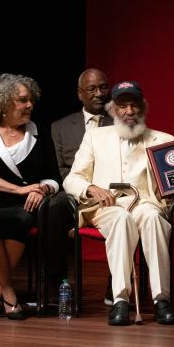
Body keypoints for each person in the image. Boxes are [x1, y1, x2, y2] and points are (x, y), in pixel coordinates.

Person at [64, 80, 174, 326]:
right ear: (113, 109)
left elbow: (170, 186)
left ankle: (161, 300)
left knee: (154, 217)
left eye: (134, 105)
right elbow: (73, 178)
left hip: (145, 203)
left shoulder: (163, 139)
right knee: (121, 219)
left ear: (143, 107)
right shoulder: (95, 137)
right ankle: (120, 299)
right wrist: (91, 188)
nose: (129, 111)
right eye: (123, 106)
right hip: (106, 207)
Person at [0, 73, 64, 320]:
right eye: (22, 100)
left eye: (31, 100)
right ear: (4, 103)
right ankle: (8, 292)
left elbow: (53, 177)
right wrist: (20, 189)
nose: (30, 105)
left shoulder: (38, 132)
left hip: (22, 205)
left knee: (22, 220)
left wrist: (42, 189)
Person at [51, 68, 114, 304]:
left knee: (129, 210)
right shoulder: (60, 127)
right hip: (74, 195)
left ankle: (117, 284)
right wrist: (86, 187)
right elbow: (58, 170)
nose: (99, 93)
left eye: (103, 87)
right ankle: (58, 284)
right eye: (92, 89)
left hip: (110, 195)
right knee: (53, 207)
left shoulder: (120, 123)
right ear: (80, 94)